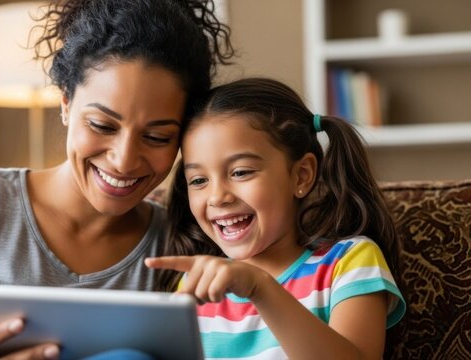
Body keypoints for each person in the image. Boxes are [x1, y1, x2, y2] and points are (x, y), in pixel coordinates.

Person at [0, 0, 233, 359]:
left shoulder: (184, 246)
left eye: (157, 137)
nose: (124, 160)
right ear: (65, 103)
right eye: (102, 124)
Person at [146, 78, 406, 359]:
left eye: (240, 172)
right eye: (198, 180)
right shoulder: (196, 283)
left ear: (301, 175)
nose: (217, 196)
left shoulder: (349, 261)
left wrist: (260, 288)